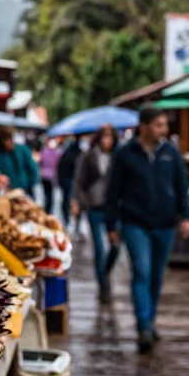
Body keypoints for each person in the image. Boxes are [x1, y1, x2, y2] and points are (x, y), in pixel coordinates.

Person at [105, 105, 189, 353]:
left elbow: (181, 186)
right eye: (159, 125)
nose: (163, 130)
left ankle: (150, 320)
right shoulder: (125, 154)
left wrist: (186, 216)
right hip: (135, 224)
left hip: (165, 224)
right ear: (144, 126)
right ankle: (143, 325)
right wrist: (112, 225)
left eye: (164, 125)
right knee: (141, 272)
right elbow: (113, 192)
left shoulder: (170, 153)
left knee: (156, 276)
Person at [72, 125, 119, 303]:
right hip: (94, 206)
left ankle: (105, 272)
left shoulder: (117, 158)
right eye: (104, 137)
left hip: (113, 208)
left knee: (115, 247)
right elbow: (79, 181)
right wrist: (79, 201)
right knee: (100, 247)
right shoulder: (88, 157)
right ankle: (103, 286)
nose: (107, 141)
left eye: (110, 138)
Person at [0, 127, 39, 196]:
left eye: (9, 138)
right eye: (5, 139)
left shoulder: (22, 150)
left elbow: (33, 170)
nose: (7, 142)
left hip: (22, 189)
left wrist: (29, 187)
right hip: (4, 190)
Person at [57, 136, 82, 231]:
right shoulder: (77, 154)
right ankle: (72, 224)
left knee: (69, 203)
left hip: (69, 183)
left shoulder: (66, 154)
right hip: (70, 183)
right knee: (71, 203)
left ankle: (70, 222)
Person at [39, 138, 62, 215]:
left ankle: (47, 210)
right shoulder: (56, 152)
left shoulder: (44, 151)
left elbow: (40, 162)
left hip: (45, 176)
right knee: (50, 195)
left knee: (47, 195)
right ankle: (48, 211)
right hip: (50, 177)